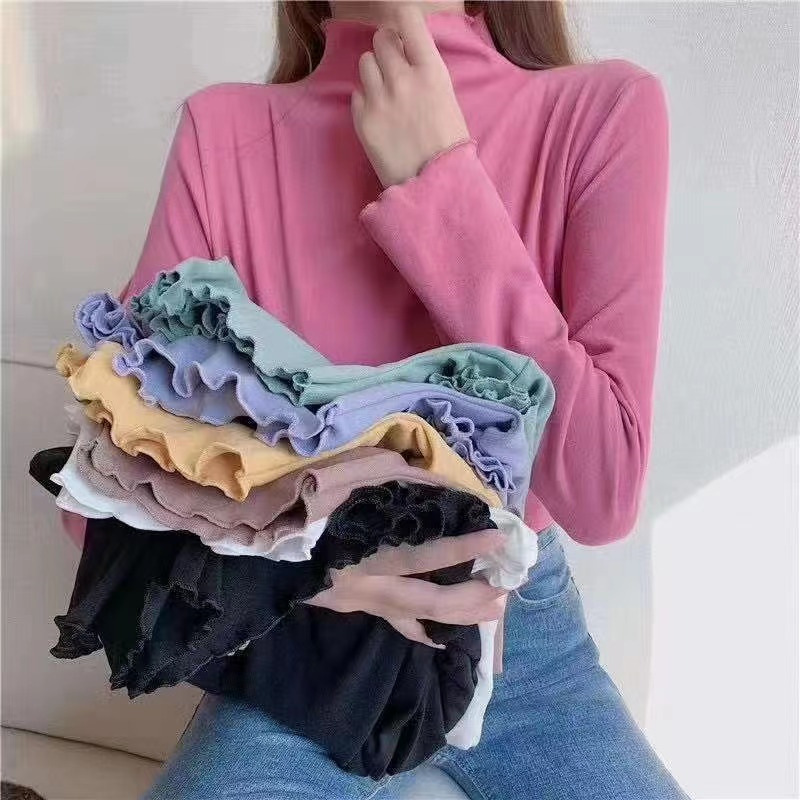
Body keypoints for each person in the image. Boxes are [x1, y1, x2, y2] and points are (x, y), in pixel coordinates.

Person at [135, 2, 687, 797]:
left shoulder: (603, 110)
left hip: (525, 644)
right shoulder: (223, 131)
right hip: (312, 629)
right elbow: (104, 489)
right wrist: (300, 575)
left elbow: (601, 493)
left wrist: (440, 182)